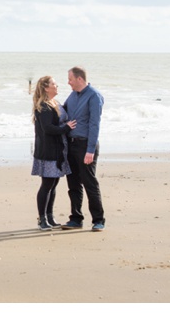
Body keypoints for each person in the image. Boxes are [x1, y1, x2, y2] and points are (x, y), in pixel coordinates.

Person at [62, 66, 106, 232]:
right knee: (73, 183)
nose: (68, 82)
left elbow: (95, 124)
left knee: (89, 182)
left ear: (79, 79)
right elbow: (63, 112)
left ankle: (98, 220)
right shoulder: (72, 95)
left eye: (70, 79)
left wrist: (90, 150)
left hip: (86, 145)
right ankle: (76, 218)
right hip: (71, 144)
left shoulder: (94, 96)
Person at [31, 76, 76, 231]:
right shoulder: (43, 106)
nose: (57, 86)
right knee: (47, 184)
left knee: (54, 183)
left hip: (58, 149)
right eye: (54, 84)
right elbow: (48, 129)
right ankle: (42, 219)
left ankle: (49, 216)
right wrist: (67, 128)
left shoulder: (55, 103)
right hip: (48, 151)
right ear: (46, 88)